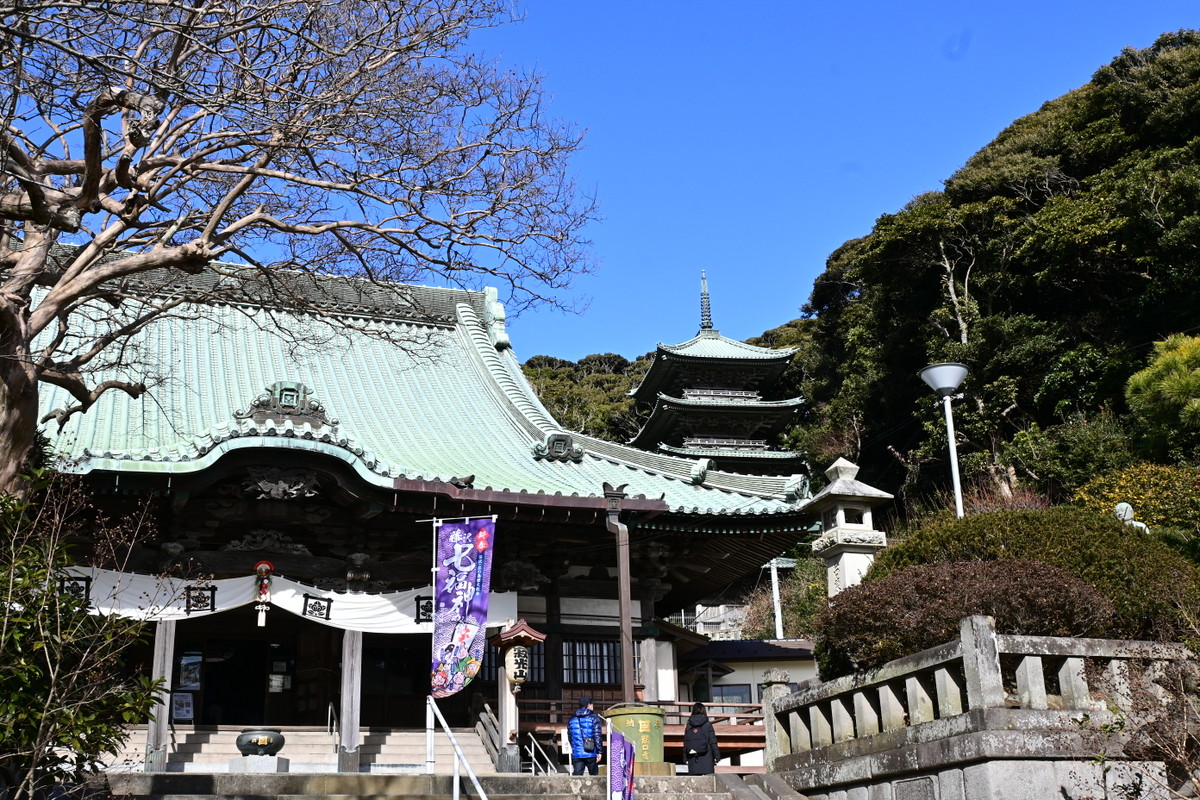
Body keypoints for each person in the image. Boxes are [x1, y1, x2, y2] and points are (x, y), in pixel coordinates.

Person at [567, 696, 604, 775]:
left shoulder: (572, 719)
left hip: (577, 753)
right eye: (592, 704)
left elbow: (570, 737)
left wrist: (575, 747)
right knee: (594, 779)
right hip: (591, 751)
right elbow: (597, 736)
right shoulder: (594, 718)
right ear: (588, 705)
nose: (593, 706)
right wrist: (599, 752)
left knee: (577, 779)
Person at [684, 701, 720, 775]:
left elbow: (686, 743)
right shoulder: (707, 725)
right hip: (707, 759)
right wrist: (717, 756)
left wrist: (685, 758)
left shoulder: (689, 725)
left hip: (693, 759)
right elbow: (712, 741)